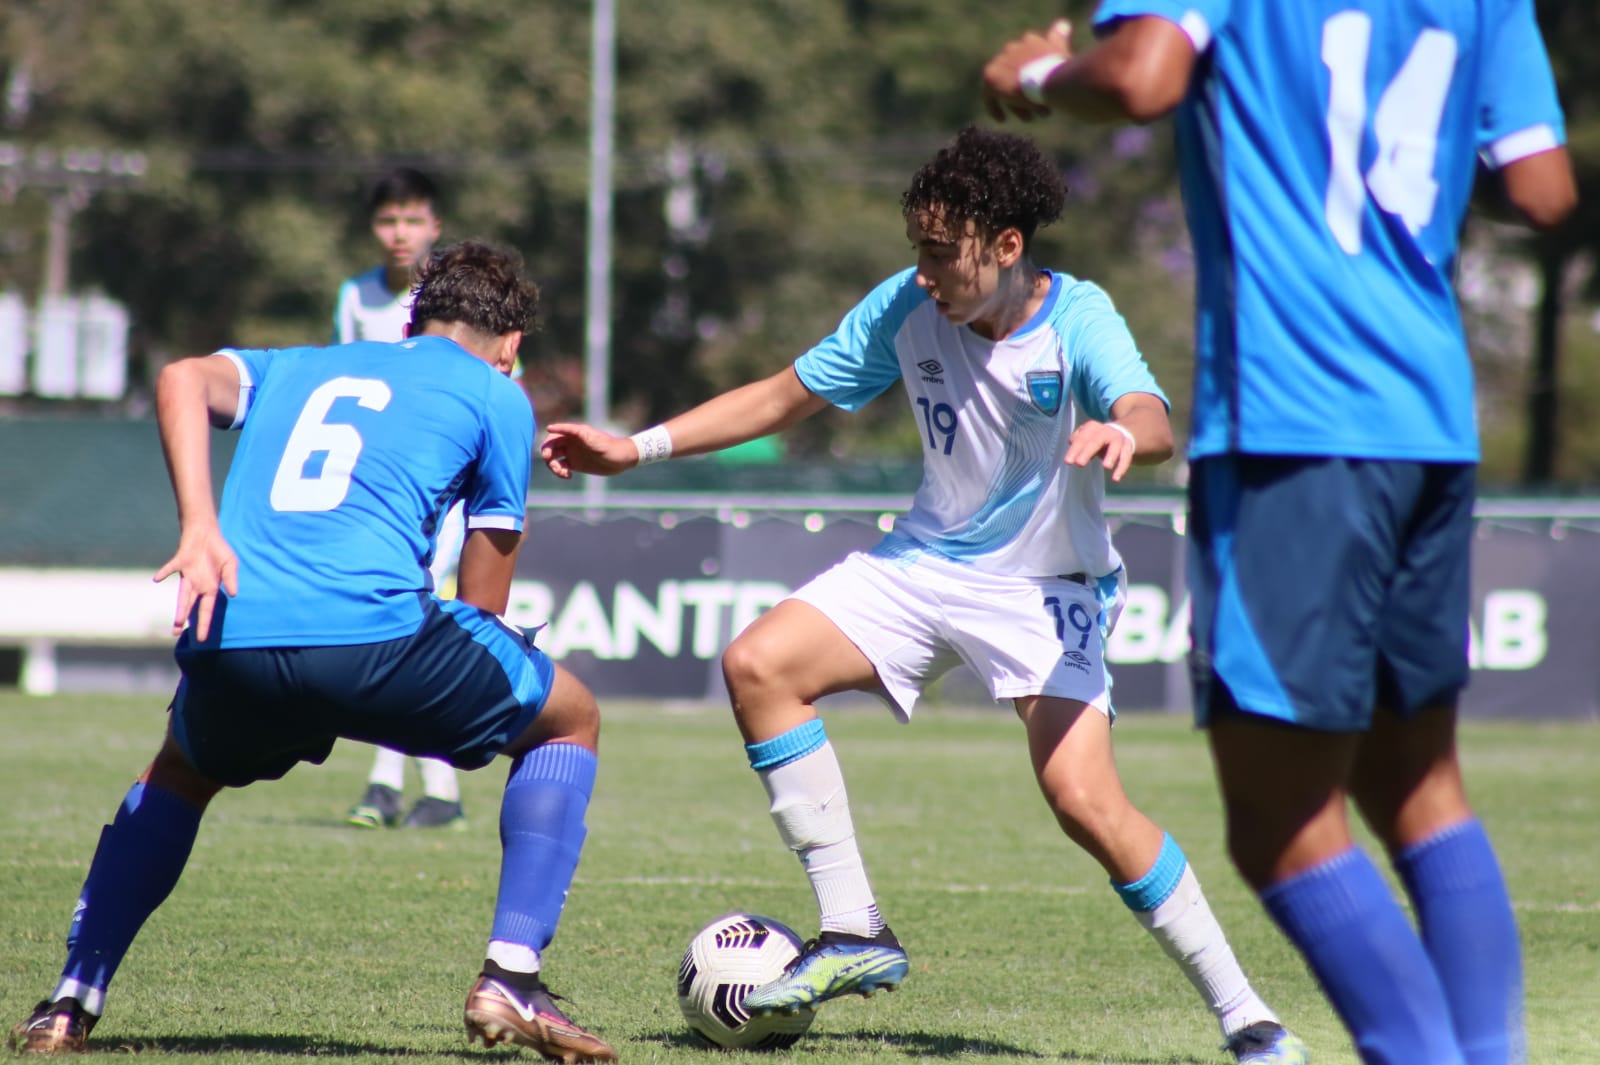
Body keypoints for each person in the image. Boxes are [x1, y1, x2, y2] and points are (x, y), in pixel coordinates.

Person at [542, 126, 1307, 1065]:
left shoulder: (1080, 318)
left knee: (1083, 801)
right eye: (920, 247)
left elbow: (1146, 411)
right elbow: (786, 394)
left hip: (1042, 587)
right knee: (759, 664)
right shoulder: (907, 304)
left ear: (1008, 246)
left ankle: (1248, 1018)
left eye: (943, 251)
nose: (926, 269)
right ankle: (853, 924)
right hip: (924, 564)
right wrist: (637, 446)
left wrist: (1123, 434)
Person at [982, 5, 1576, 1064]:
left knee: (1279, 823)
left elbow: (1145, 75)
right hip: (1432, 420)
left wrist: (1039, 77)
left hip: (1295, 427)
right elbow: (1540, 188)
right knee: (1417, 786)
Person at [9, 241, 616, 1063]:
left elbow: (180, 376)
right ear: (510, 344)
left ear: (416, 316)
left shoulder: (297, 364)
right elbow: (482, 601)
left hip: (235, 635)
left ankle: (69, 1003)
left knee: (180, 772)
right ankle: (512, 971)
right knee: (569, 718)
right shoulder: (497, 395)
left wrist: (198, 526)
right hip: (374, 641)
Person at [333, 166, 468, 830]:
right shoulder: (356, 297)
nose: (399, 233)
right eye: (388, 220)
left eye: (412, 220)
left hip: (441, 487)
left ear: (434, 227)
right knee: (394, 620)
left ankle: (392, 784)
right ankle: (433, 789)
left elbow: (502, 376)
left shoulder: (459, 295)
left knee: (400, 616)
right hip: (379, 487)